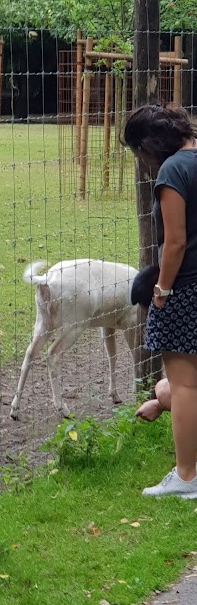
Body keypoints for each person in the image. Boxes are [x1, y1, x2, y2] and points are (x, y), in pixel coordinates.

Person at [124, 103, 197, 498]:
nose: (142, 164)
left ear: (150, 146)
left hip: (186, 286)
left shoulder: (173, 171)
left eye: (139, 155)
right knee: (180, 386)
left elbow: (175, 241)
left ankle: (187, 477)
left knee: (185, 384)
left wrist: (163, 290)